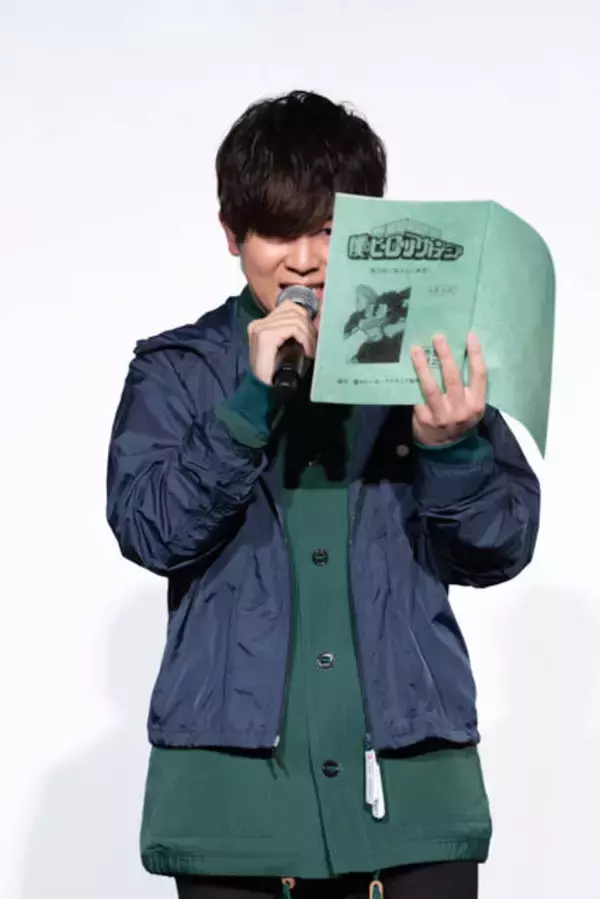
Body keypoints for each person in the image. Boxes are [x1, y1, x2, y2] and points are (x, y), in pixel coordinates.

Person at [106, 90, 540, 899]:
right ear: (232, 234)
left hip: (410, 798)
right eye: (278, 230)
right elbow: (150, 528)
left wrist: (451, 449)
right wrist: (248, 406)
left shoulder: (422, 361)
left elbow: (501, 545)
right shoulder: (178, 372)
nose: (305, 259)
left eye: (331, 230)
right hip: (235, 813)